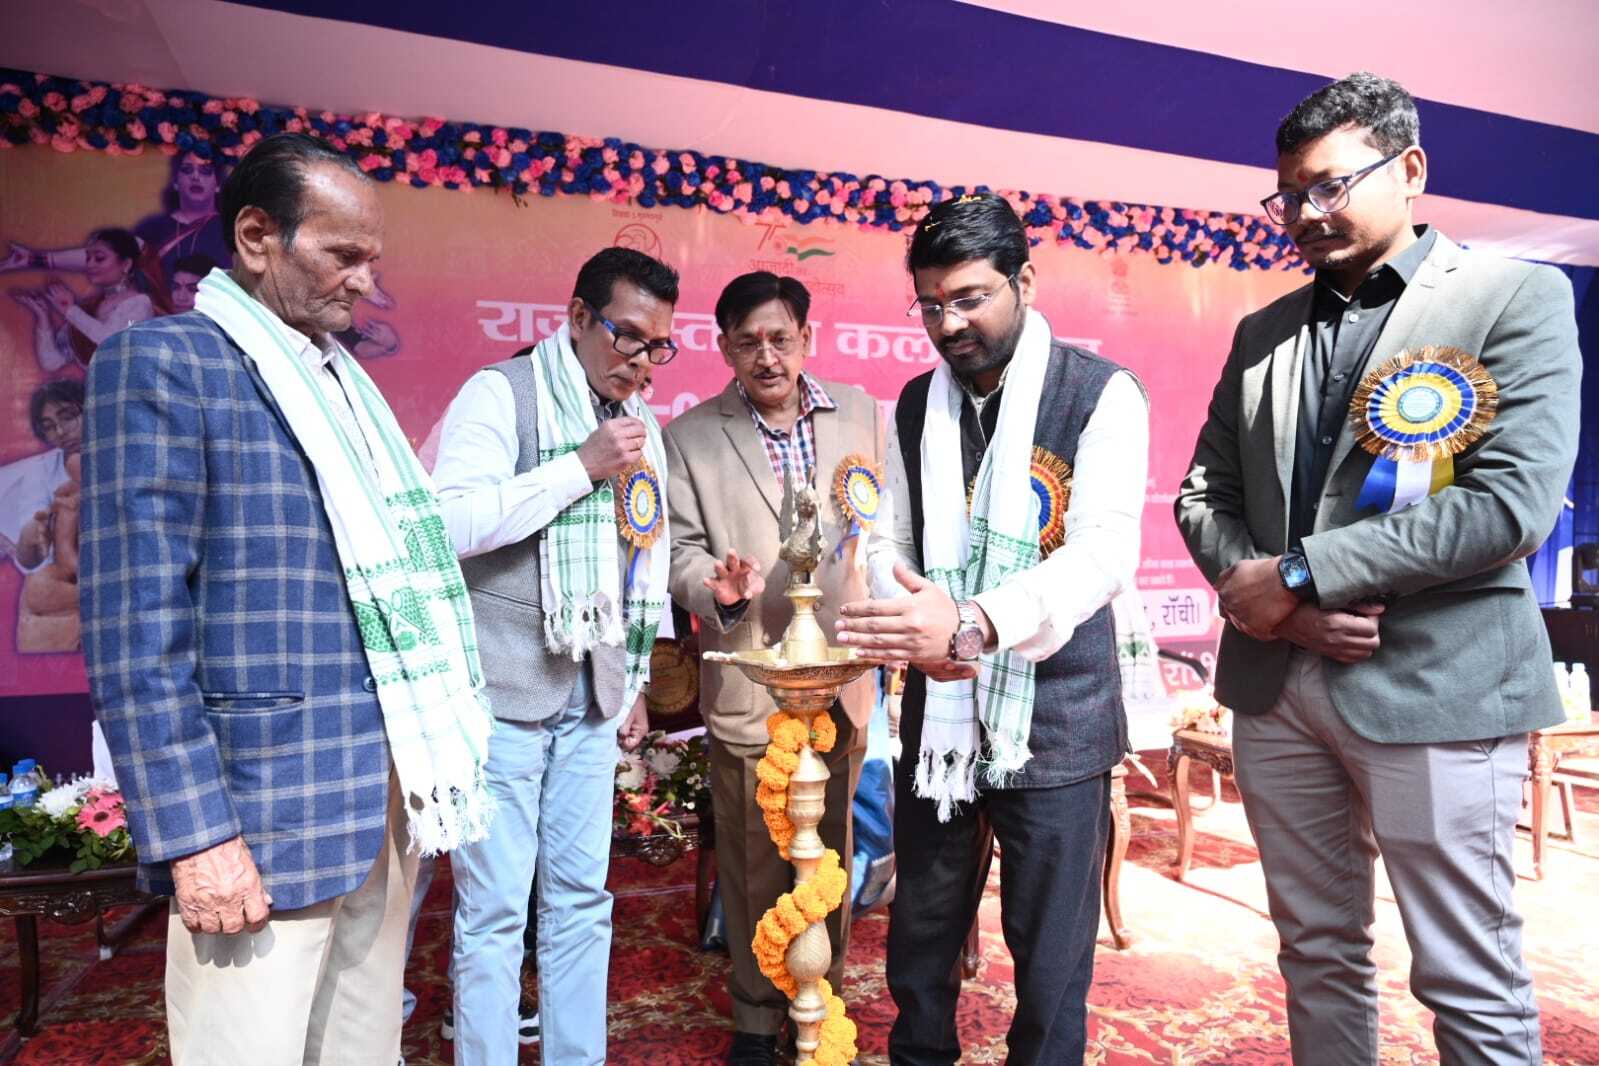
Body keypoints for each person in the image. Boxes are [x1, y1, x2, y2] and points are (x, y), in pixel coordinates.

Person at [1174, 72, 1580, 1066]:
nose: (1304, 215)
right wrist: (1279, 609)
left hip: (1437, 683)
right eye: (1287, 196)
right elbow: (1202, 496)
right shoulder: (1263, 332)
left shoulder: (1512, 296)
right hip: (1279, 688)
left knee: (1466, 974)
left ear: (1410, 170)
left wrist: (1299, 575)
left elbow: (1507, 507)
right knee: (1314, 952)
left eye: (1329, 186)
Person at [79, 131, 494, 1065]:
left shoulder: (344, 386)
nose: (365, 282)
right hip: (257, 824)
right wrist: (197, 838)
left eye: (372, 259)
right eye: (343, 255)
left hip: (382, 804)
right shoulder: (166, 363)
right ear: (257, 236)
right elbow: (134, 630)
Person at [835, 192, 1149, 1065]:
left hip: (1056, 718)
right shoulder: (915, 404)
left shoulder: (1099, 393)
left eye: (970, 298)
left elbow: (1101, 554)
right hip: (939, 715)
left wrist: (969, 626)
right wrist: (912, 616)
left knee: (1049, 959)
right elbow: (889, 540)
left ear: (1025, 283)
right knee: (920, 936)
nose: (948, 323)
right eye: (930, 304)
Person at [431, 245, 674, 1066]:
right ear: (576, 318)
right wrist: (578, 468)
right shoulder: (499, 393)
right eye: (627, 337)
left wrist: (634, 678)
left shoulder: (642, 425)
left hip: (594, 692)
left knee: (581, 900)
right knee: (495, 912)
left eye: (657, 347)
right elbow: (450, 525)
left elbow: (644, 554)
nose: (640, 362)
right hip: (503, 690)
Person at [663, 271, 882, 1065]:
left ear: (806, 339)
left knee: (828, 858)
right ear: (723, 347)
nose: (766, 357)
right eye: (748, 342)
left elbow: (886, 527)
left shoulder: (861, 414)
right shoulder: (690, 436)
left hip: (841, 677)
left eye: (780, 339)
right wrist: (713, 587)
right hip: (751, 682)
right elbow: (677, 554)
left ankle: (819, 1008)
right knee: (757, 858)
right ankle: (757, 1021)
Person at [12, 227, 166, 370]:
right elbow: (52, 361)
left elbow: (111, 343)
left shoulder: (140, 303)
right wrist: (43, 317)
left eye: (99, 258)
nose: (90, 264)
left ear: (126, 264)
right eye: (88, 258)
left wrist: (70, 311)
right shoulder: (87, 308)